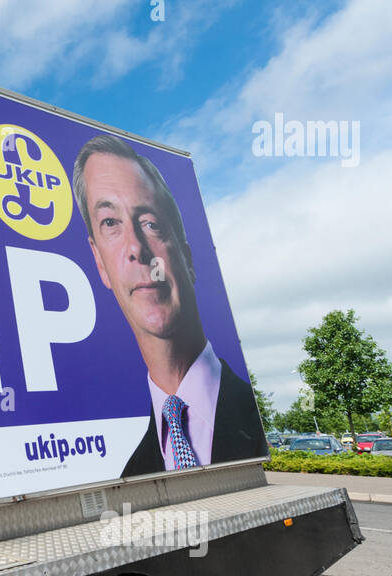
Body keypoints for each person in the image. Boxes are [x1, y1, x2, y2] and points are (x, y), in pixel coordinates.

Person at [71, 134, 265, 477]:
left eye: (151, 223)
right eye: (110, 223)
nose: (137, 249)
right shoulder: (132, 474)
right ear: (100, 262)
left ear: (187, 258)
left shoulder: (251, 416)